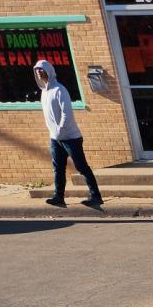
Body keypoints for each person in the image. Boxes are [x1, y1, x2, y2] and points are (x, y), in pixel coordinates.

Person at [34, 59, 102, 209]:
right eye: (37, 70)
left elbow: (67, 113)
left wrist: (60, 130)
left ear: (49, 71)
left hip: (71, 137)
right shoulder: (44, 92)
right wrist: (54, 133)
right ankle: (58, 196)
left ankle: (95, 195)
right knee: (58, 168)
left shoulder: (59, 90)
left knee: (81, 166)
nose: (39, 72)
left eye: (41, 69)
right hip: (55, 138)